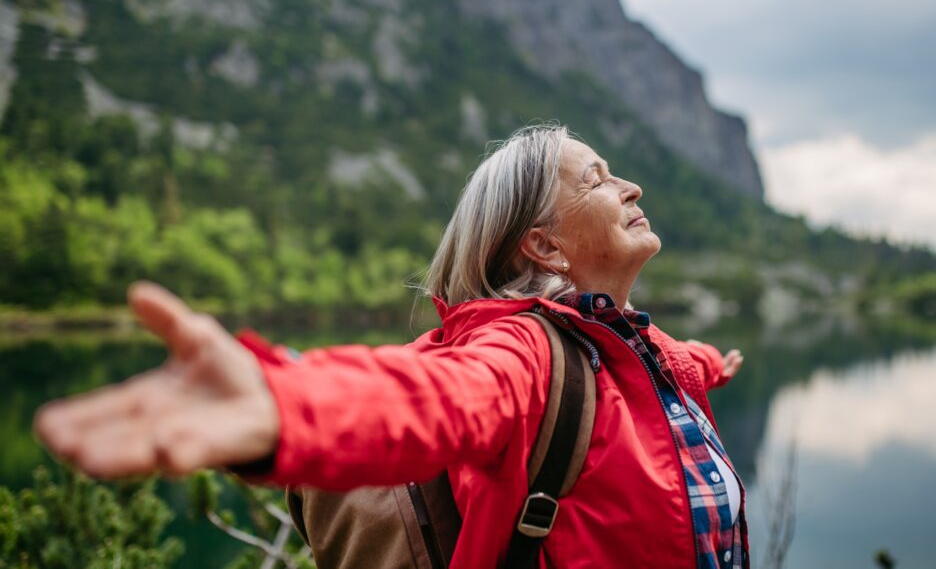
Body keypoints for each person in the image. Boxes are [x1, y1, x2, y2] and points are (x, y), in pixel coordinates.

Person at [34, 125, 748, 568]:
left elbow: (678, 358)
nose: (631, 186)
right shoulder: (524, 351)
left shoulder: (638, 343)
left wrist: (715, 365)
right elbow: (436, 399)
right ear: (543, 245)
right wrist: (283, 405)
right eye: (597, 179)